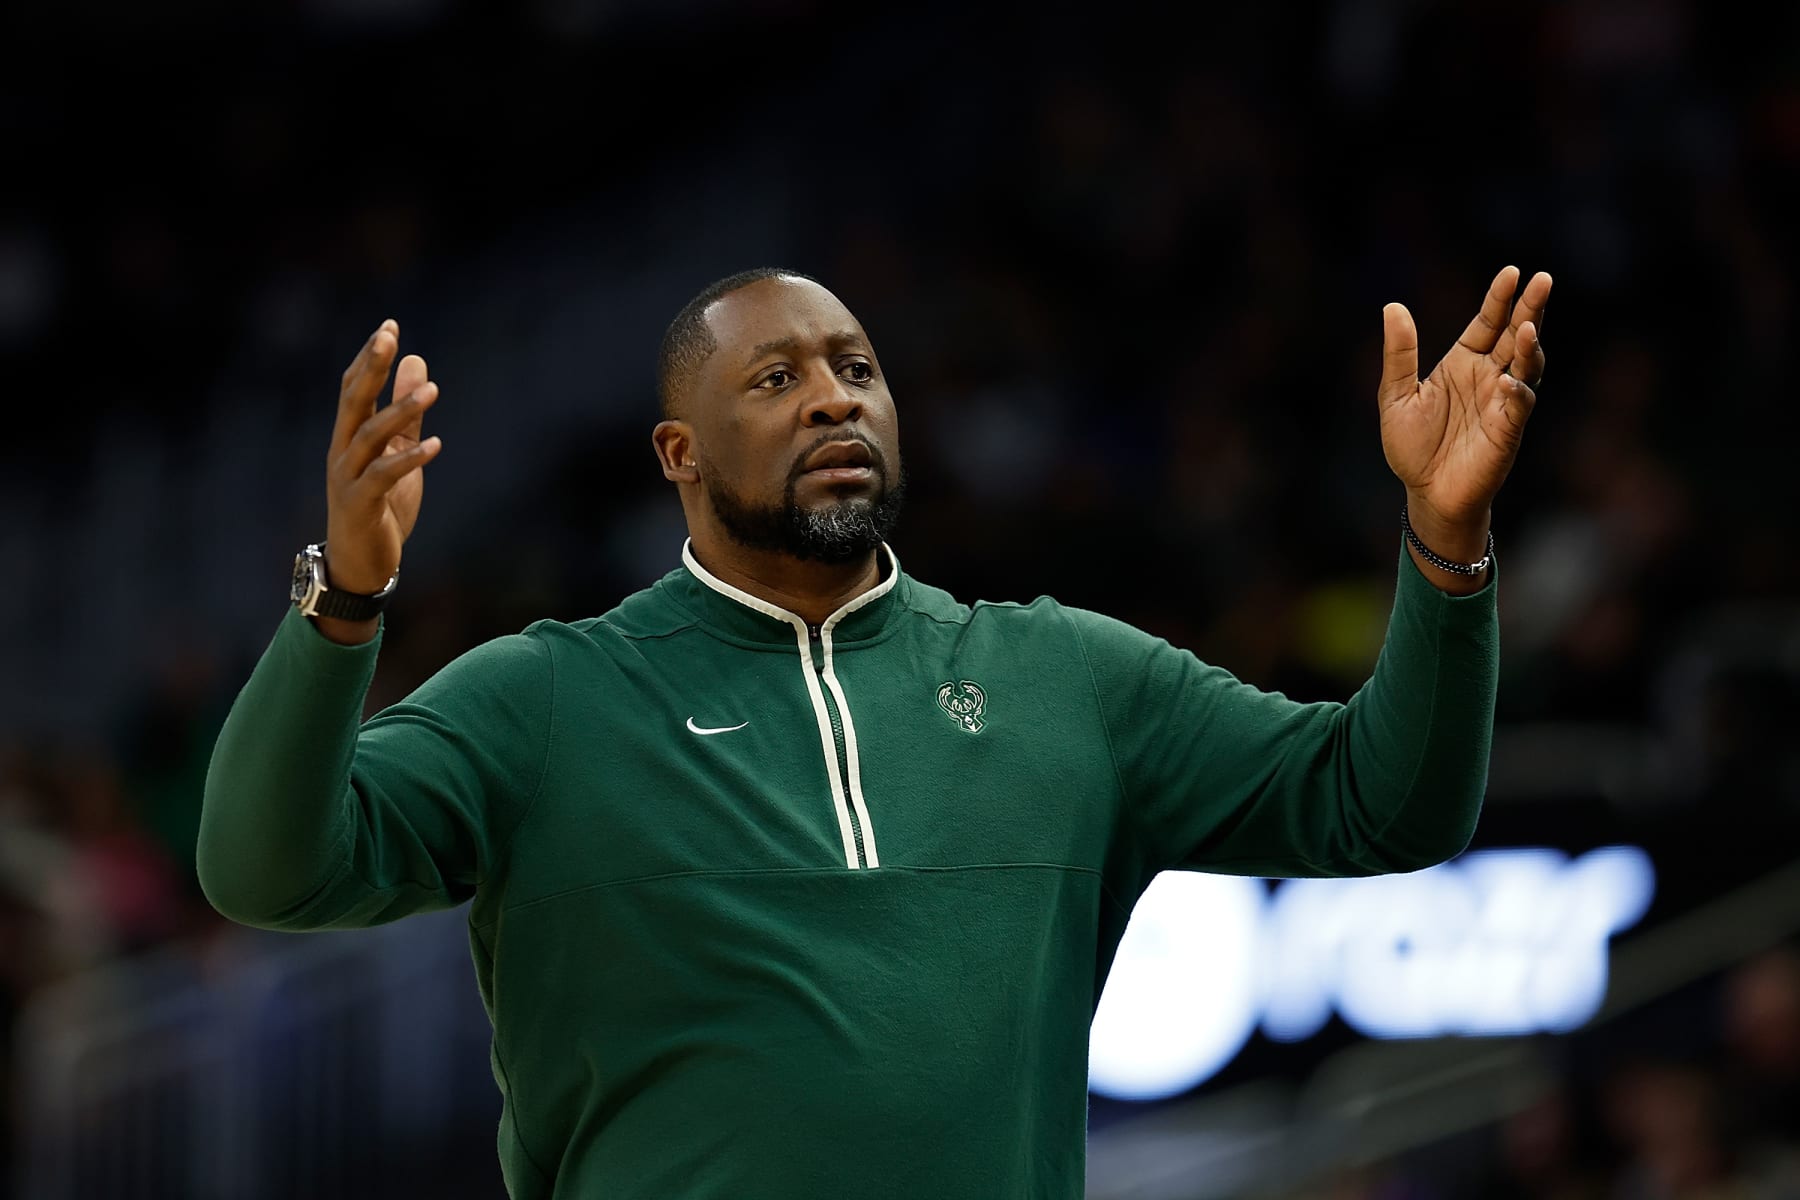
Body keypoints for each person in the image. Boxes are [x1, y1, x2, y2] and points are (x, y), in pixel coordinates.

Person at [199, 263, 1552, 1199]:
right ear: (680, 453)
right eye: (777, 379)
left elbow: (1390, 806)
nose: (836, 397)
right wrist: (347, 600)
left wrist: (1446, 545)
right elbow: (266, 868)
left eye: (857, 368)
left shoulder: (1065, 678)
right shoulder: (549, 697)